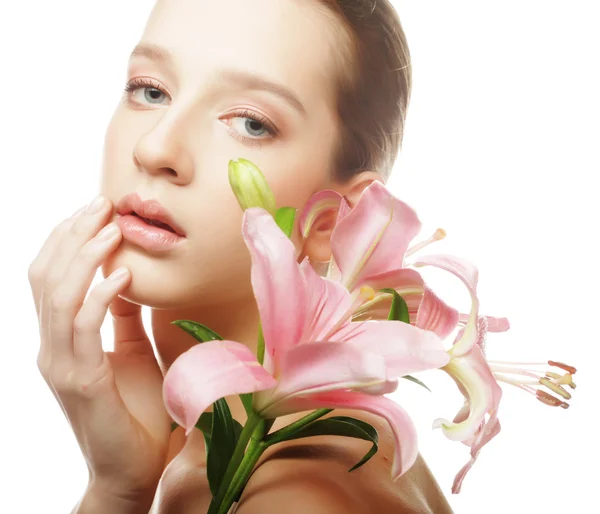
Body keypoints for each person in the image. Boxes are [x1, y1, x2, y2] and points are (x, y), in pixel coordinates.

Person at [28, 0, 455, 512]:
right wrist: (119, 488)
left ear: (335, 220)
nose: (155, 149)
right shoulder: (197, 441)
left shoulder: (303, 497)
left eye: (251, 123)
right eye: (151, 90)